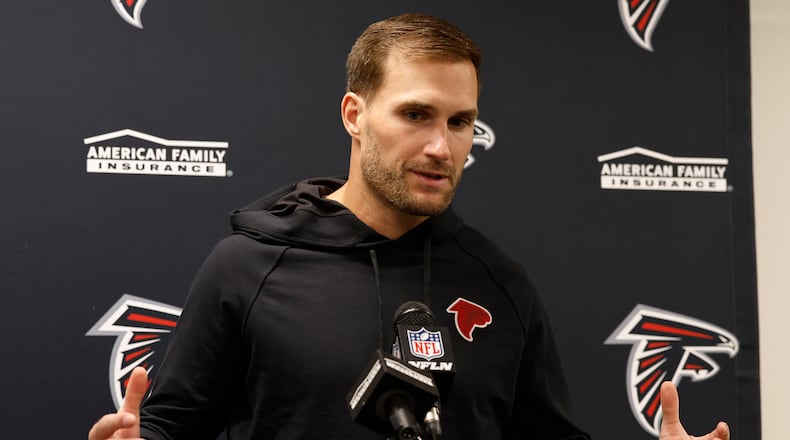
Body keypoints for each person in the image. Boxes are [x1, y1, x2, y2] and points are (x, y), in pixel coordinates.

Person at [88, 13, 731, 440]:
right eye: (417, 115)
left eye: (459, 122)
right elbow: (169, 428)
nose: (441, 147)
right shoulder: (248, 266)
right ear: (354, 114)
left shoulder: (501, 284)